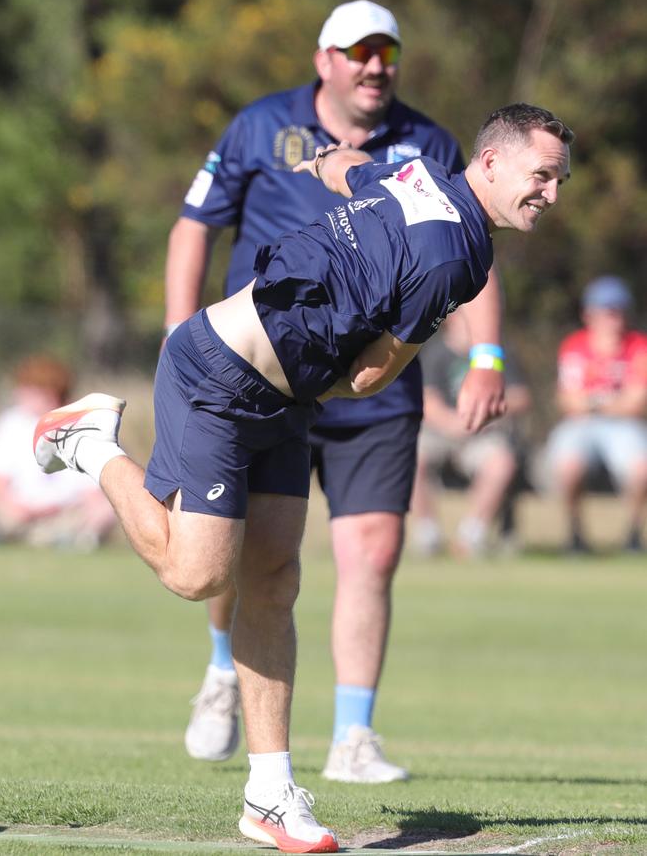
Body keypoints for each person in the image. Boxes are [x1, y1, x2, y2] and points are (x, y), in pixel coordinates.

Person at [34, 103, 573, 852]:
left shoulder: (417, 173)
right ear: (489, 163)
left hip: (281, 398)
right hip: (219, 376)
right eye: (541, 175)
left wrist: (314, 168)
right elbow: (371, 374)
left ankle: (269, 794)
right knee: (197, 575)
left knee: (274, 578)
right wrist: (352, 362)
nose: (550, 192)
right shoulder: (459, 257)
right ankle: (90, 443)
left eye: (559, 180)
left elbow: (343, 165)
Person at [166, 0, 506, 783]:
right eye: (358, 51)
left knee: (372, 549)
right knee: (243, 556)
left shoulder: (431, 142)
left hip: (372, 391)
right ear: (326, 60)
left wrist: (485, 353)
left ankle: (353, 736)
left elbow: (469, 255)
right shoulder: (258, 127)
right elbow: (194, 225)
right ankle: (223, 669)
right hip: (268, 371)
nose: (374, 64)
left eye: (386, 51)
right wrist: (177, 327)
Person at [411, 309, 532, 556]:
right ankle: (428, 534)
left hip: (484, 432)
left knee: (501, 464)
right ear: (450, 319)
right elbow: (427, 400)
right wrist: (456, 423)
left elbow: (520, 397)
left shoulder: (495, 353)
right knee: (410, 455)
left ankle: (472, 535)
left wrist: (487, 411)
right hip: (442, 431)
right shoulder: (435, 352)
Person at [545, 274, 647, 553]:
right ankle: (575, 535)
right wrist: (607, 401)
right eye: (607, 311)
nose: (613, 318)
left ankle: (633, 535)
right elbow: (567, 401)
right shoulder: (574, 345)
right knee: (568, 465)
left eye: (618, 311)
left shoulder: (639, 346)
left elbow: (636, 403)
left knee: (641, 468)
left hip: (624, 426)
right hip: (581, 426)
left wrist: (591, 401)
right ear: (590, 314)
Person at [0, 355, 116, 550]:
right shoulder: (12, 423)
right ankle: (51, 538)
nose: (20, 394)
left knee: (107, 509)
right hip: (19, 511)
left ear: (50, 393)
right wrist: (16, 506)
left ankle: (70, 538)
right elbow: (0, 482)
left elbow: (90, 491)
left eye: (29, 390)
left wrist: (94, 511)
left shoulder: (80, 425)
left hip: (64, 512)